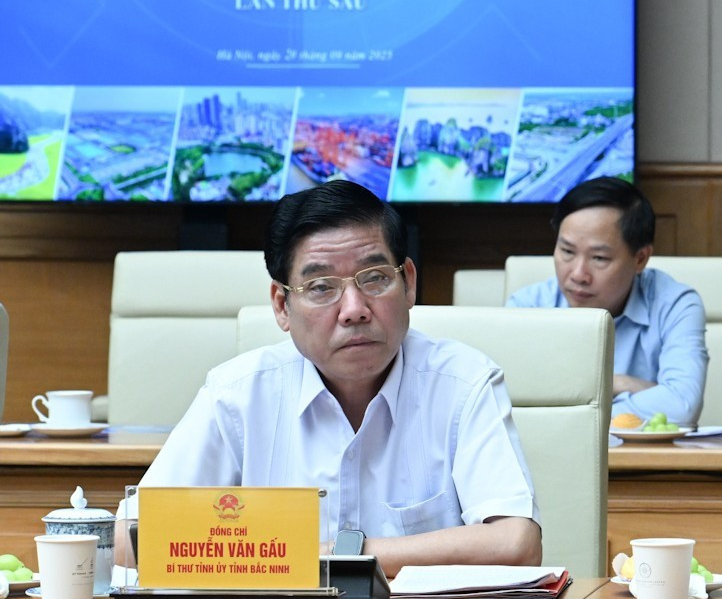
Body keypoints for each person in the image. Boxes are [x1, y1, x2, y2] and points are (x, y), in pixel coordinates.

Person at [142, 181, 542, 577]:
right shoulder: (236, 396)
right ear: (282, 306)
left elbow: (516, 543)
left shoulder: (464, 384)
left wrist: (336, 554)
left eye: (374, 278)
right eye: (321, 287)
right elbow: (135, 538)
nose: (354, 310)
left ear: (409, 284)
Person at [508, 177, 708, 427]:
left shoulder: (675, 306)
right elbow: (508, 406)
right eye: (567, 252)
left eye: (599, 258)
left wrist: (599, 391)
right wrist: (632, 386)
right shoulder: (528, 307)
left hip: (645, 462)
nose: (579, 274)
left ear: (640, 259)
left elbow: (681, 406)